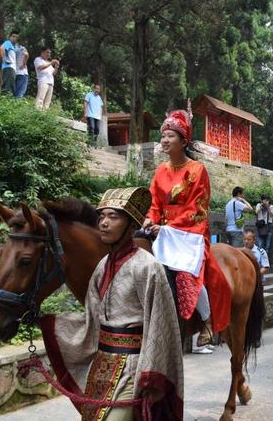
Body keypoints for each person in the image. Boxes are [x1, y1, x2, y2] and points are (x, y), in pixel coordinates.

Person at [40, 187, 183, 420]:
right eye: (102, 216)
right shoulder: (102, 266)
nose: (104, 223)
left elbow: (161, 325)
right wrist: (50, 324)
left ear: (132, 224)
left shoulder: (147, 267)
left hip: (134, 367)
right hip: (102, 367)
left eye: (113, 217)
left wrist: (152, 374)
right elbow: (92, 321)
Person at [143, 108, 231, 353]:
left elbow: (197, 208)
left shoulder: (197, 170)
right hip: (161, 230)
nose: (164, 140)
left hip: (188, 233)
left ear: (183, 141)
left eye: (170, 136)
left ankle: (206, 321)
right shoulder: (160, 170)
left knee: (185, 273)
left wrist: (168, 228)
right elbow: (153, 202)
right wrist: (150, 220)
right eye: (163, 136)